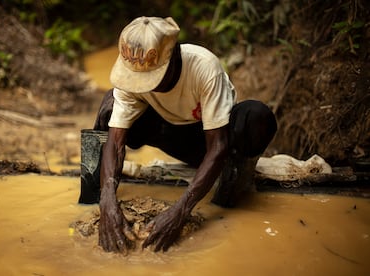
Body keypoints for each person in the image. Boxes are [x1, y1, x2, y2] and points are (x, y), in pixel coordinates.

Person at [91, 16, 277, 253]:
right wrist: (107, 200)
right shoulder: (134, 70)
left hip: (215, 142)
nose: (143, 85)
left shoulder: (204, 67)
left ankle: (235, 175)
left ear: (173, 57)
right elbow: (116, 141)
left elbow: (217, 145)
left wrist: (180, 211)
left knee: (257, 117)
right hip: (167, 132)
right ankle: (93, 191)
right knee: (110, 105)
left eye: (150, 78)